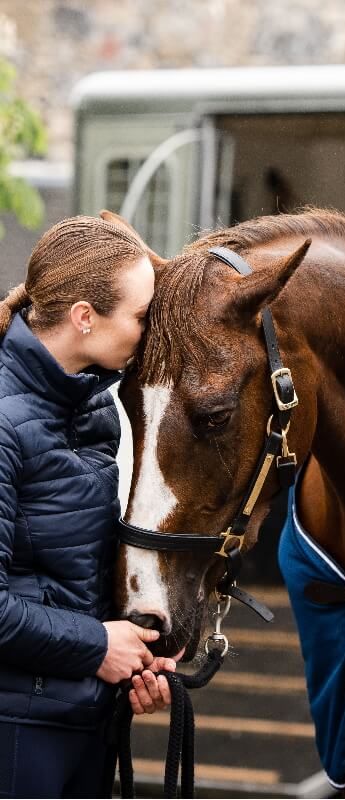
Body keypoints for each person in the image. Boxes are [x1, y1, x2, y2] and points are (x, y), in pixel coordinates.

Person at [0, 216, 175, 798]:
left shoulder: (98, 409)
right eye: (142, 316)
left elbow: (81, 570)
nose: (150, 333)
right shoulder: (4, 422)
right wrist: (98, 646)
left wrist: (139, 654)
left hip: (86, 721)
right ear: (84, 317)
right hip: (16, 733)